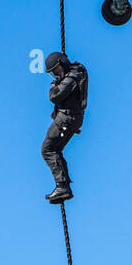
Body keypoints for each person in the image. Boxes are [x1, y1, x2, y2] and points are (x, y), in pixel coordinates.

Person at [40, 51, 88, 203]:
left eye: (56, 70)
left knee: (48, 149)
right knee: (55, 150)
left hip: (67, 118)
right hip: (71, 118)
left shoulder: (73, 76)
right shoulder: (75, 74)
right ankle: (63, 186)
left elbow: (55, 96)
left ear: (63, 64)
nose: (55, 75)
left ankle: (62, 186)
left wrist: (55, 86)